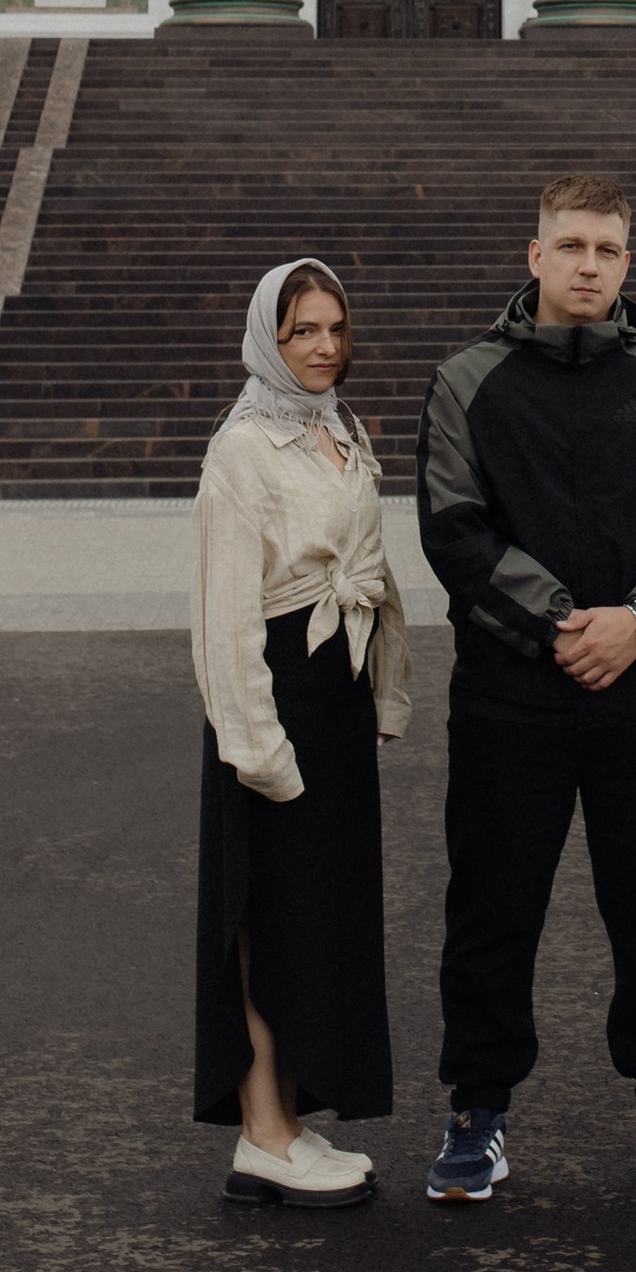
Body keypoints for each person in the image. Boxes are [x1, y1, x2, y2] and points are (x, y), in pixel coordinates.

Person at [415, 171, 636, 1204]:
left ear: (627, 262)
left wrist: (635, 621)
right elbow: (452, 527)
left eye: (606, 249)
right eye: (571, 247)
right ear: (535, 256)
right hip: (514, 689)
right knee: (492, 905)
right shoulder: (468, 378)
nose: (588, 265)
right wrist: (564, 621)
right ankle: (478, 1110)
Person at [192, 256, 408, 1210]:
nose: (324, 348)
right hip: (275, 698)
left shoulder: (334, 429)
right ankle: (263, 1133)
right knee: (260, 912)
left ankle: (287, 1116)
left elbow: (372, 571)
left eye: (333, 329)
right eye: (301, 333)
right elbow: (224, 614)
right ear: (267, 341)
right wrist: (256, 746)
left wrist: (386, 693)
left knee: (316, 913)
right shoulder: (243, 448)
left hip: (336, 695)